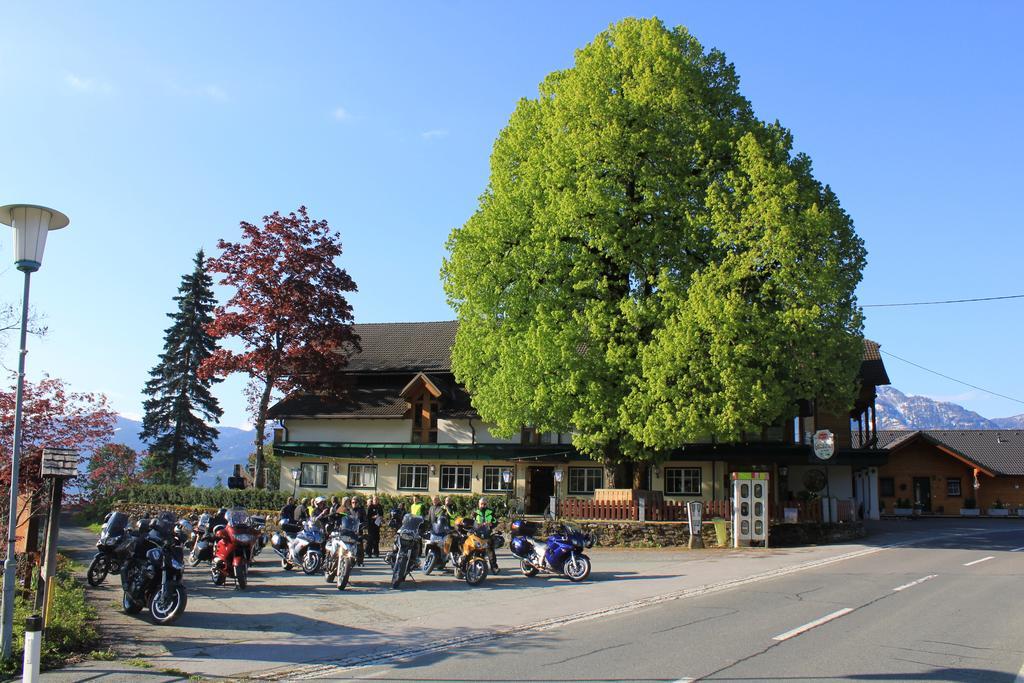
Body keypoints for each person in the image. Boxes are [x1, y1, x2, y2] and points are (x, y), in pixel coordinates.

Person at [474, 497, 499, 573]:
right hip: (477, 534)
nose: (483, 505)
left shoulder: (490, 512)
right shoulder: (475, 512)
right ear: (479, 504)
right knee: (475, 550)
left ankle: (494, 567)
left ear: (486, 504)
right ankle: (472, 567)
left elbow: (495, 521)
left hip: (487, 534)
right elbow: (471, 522)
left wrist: (491, 524)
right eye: (481, 504)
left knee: (490, 551)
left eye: (484, 504)